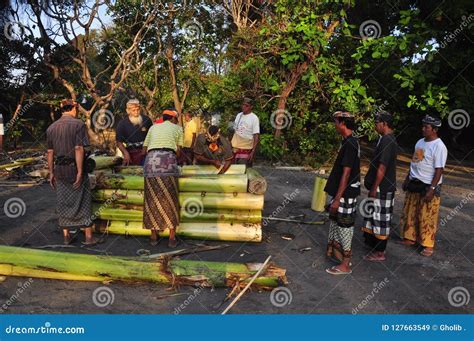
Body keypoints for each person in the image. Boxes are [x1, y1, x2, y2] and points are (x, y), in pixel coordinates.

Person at [46, 99, 98, 245]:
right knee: (84, 200)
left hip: (59, 169)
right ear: (73, 108)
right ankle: (88, 238)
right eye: (76, 108)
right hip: (74, 167)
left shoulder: (51, 128)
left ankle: (66, 236)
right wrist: (80, 171)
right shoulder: (78, 125)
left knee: (63, 201)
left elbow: (50, 152)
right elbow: (79, 148)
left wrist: (51, 173)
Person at [399, 115, 447, 257]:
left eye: (426, 127)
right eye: (423, 126)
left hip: (429, 185)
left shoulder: (439, 146)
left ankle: (427, 244)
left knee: (427, 215)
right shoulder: (420, 142)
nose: (423, 129)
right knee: (411, 211)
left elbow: (439, 170)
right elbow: (416, 161)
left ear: (434, 129)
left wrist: (432, 189)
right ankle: (411, 237)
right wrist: (408, 178)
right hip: (415, 182)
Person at [324, 111, 360, 275]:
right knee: (336, 223)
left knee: (345, 226)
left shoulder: (351, 144)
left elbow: (346, 173)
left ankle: (345, 264)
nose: (335, 125)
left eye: (336, 122)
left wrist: (337, 199)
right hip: (341, 192)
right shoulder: (347, 142)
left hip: (346, 194)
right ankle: (337, 255)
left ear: (343, 123)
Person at [142, 109, 183, 248]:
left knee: (151, 199)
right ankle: (171, 238)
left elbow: (143, 150)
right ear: (172, 119)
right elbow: (178, 151)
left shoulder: (153, 128)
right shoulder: (178, 129)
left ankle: (153, 237)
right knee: (170, 199)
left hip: (150, 163)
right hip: (168, 163)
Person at [362, 111, 398, 261]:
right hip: (380, 187)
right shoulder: (383, 139)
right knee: (373, 217)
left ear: (384, 123)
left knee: (381, 219)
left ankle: (380, 253)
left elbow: (382, 167)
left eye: (377, 123)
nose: (375, 126)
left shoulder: (387, 141)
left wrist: (374, 187)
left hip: (383, 188)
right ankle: (373, 245)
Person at [116, 99, 153, 166]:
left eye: (138, 109)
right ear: (128, 111)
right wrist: (126, 154)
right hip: (131, 153)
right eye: (133, 110)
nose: (136, 112)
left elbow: (152, 136)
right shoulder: (122, 124)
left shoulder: (147, 120)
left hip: (147, 152)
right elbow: (119, 143)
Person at [231, 97, 260, 166]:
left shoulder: (254, 118)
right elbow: (235, 131)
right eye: (243, 105)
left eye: (246, 105)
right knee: (234, 170)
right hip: (235, 148)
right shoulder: (239, 115)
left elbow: (256, 135)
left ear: (251, 107)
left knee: (243, 170)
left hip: (246, 149)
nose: (244, 107)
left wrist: (253, 152)